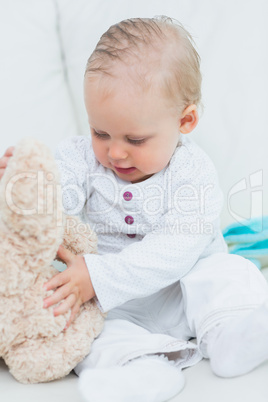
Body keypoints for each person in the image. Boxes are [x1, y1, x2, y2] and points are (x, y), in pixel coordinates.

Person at [1, 16, 268, 402]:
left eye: (135, 138)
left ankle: (233, 336)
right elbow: (55, 201)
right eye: (100, 132)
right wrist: (24, 182)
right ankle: (142, 370)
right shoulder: (81, 158)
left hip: (183, 290)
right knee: (86, 332)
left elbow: (176, 249)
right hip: (118, 307)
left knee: (228, 273)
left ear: (185, 120)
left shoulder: (193, 172)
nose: (115, 152)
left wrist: (99, 276)